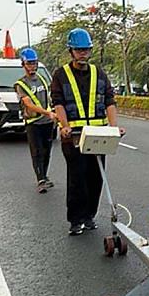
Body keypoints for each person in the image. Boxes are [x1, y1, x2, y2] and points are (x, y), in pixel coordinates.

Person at [51, 28, 125, 235]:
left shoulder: (98, 73)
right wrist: (64, 125)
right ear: (71, 51)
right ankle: (76, 219)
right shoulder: (60, 75)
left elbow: (109, 101)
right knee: (77, 177)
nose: (83, 53)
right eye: (78, 50)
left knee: (96, 176)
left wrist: (113, 127)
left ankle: (89, 216)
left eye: (86, 49)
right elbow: (58, 103)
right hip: (73, 136)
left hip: (97, 134)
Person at [15, 47, 58, 193]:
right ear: (23, 64)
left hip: (47, 122)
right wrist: (47, 112)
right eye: (29, 63)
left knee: (47, 151)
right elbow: (28, 104)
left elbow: (50, 98)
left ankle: (44, 176)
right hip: (33, 123)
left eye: (34, 63)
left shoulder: (42, 80)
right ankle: (40, 180)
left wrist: (54, 113)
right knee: (37, 152)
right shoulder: (20, 84)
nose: (32, 66)